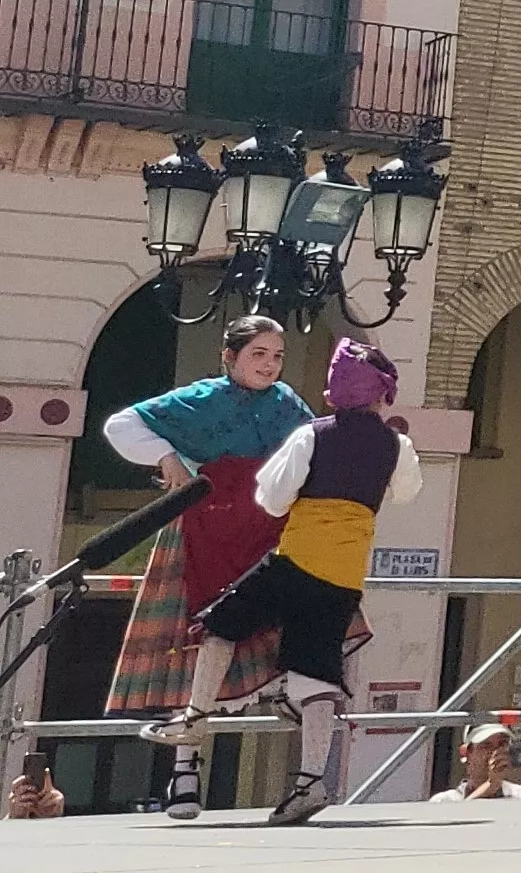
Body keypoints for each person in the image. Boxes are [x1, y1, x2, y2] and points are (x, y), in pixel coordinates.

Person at [143, 339, 421, 827]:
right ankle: (311, 782)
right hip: (344, 572)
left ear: (334, 395)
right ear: (383, 397)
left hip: (295, 558)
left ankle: (195, 718)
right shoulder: (395, 445)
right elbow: (405, 493)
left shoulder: (312, 435)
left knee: (222, 623)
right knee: (318, 671)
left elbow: (272, 497)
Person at [99, 316, 314, 744]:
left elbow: (314, 447)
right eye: (258, 354)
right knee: (196, 638)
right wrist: (167, 457)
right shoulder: (200, 399)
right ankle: (185, 771)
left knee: (286, 619)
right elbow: (120, 425)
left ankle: (286, 692)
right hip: (205, 529)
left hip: (269, 529)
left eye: (277, 356)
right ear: (229, 357)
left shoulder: (287, 403)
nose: (270, 365)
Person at [428, 721, 521, 801]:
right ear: (466, 753)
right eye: (486, 746)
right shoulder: (444, 801)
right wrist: (491, 785)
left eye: (502, 744)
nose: (496, 752)